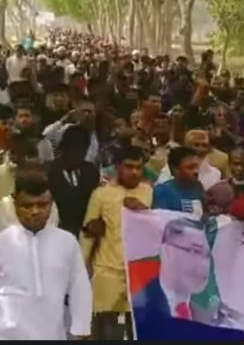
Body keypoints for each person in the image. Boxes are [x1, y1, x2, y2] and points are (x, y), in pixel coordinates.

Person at [0, 168, 92, 340]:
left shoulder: (67, 243)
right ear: (15, 205)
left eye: (42, 205)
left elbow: (79, 288)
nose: (35, 211)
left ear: (51, 204)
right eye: (27, 205)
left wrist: (80, 329)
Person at [81, 146, 153, 340]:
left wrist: (144, 212)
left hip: (138, 272)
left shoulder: (148, 192)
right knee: (104, 328)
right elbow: (87, 235)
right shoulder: (101, 194)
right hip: (107, 272)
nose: (134, 172)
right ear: (117, 167)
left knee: (135, 328)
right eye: (129, 167)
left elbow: (159, 228)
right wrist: (81, 271)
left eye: (138, 167)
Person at [131, 218, 244, 339]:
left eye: (207, 256)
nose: (203, 264)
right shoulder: (136, 306)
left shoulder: (204, 315)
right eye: (194, 251)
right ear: (166, 251)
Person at [47, 125, 100, 237]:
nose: (80, 155)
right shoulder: (48, 173)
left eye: (83, 150)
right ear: (64, 148)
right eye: (76, 150)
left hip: (85, 235)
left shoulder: (91, 172)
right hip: (55, 232)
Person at [0, 133, 41, 206]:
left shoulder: (35, 178)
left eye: (20, 152)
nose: (15, 157)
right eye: (12, 152)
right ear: (4, 152)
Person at [156, 130, 221, 190]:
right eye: (196, 145)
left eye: (204, 145)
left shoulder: (215, 173)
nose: (200, 149)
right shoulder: (171, 169)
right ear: (187, 147)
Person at [43, 99, 100, 165]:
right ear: (77, 113)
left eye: (90, 112)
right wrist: (63, 121)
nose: (87, 115)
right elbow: (47, 135)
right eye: (84, 111)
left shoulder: (99, 134)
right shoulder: (68, 130)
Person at [153, 147, 207, 216]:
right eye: (190, 168)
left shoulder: (198, 187)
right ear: (175, 170)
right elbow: (161, 218)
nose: (196, 171)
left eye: (196, 167)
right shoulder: (163, 191)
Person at [204, 149, 244, 214]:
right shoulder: (218, 189)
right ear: (229, 165)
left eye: (243, 164)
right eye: (236, 164)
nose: (239, 168)